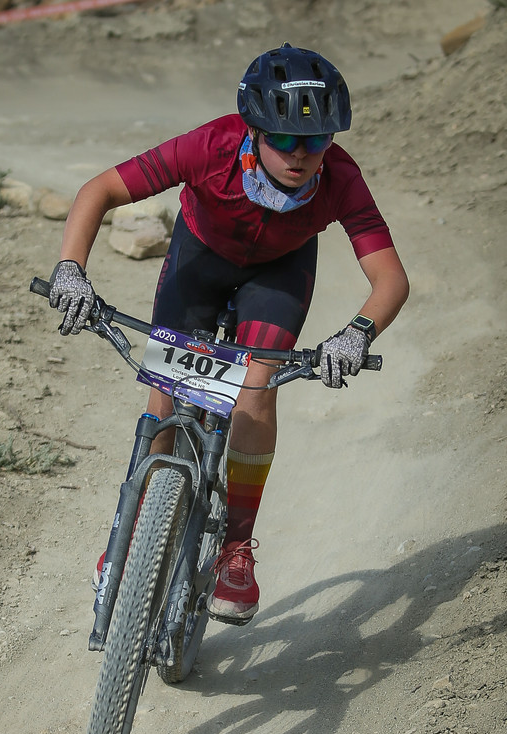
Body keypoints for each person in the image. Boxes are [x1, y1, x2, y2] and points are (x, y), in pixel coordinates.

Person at [48, 43, 409, 625]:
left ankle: (236, 546)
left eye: (315, 139)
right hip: (201, 258)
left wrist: (357, 333)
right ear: (254, 129)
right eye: (283, 137)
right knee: (167, 389)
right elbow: (100, 190)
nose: (299, 154)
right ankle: (138, 526)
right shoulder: (211, 146)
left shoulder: (340, 177)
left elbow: (390, 278)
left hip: (279, 273)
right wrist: (71, 267)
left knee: (256, 387)